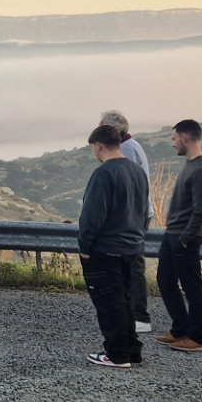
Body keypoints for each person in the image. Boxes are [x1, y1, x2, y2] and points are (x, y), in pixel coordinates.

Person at [77, 124, 149, 367]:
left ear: (98, 146)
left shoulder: (104, 173)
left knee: (109, 304)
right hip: (132, 246)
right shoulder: (136, 171)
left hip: (105, 249)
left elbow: (92, 215)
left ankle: (116, 355)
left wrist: (84, 247)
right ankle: (132, 350)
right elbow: (142, 209)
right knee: (125, 300)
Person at [157, 120, 202, 352]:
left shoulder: (201, 171)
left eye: (173, 139)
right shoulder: (190, 165)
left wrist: (184, 238)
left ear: (184, 138)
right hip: (173, 234)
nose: (172, 144)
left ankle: (197, 338)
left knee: (192, 287)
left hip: (184, 237)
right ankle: (180, 330)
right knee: (165, 280)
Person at [101, 110, 155, 333]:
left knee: (132, 265)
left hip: (132, 215)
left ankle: (138, 317)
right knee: (131, 263)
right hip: (137, 213)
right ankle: (132, 314)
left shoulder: (127, 150)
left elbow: (127, 187)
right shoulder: (131, 146)